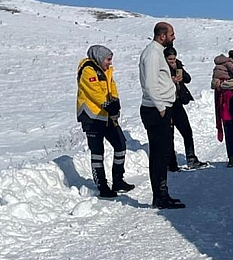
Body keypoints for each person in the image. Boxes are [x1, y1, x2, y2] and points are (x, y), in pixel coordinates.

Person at [76, 45, 135, 198]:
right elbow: (94, 91)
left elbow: (112, 87)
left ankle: (118, 180)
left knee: (120, 144)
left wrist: (115, 101)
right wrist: (108, 105)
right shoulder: (88, 70)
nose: (110, 63)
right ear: (100, 58)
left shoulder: (107, 70)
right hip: (92, 117)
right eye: (108, 60)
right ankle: (102, 185)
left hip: (107, 115)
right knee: (97, 152)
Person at [138, 22, 185, 209]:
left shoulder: (158, 53)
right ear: (162, 36)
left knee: (164, 153)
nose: (174, 37)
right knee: (158, 155)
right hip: (156, 110)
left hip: (163, 107)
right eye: (172, 34)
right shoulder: (151, 54)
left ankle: (163, 194)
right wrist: (161, 108)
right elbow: (150, 84)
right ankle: (159, 197)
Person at [163, 46, 208, 171]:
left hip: (178, 103)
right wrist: (170, 80)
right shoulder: (162, 69)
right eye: (170, 59)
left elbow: (188, 79)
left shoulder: (177, 65)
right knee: (169, 134)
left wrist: (180, 72)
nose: (172, 61)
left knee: (187, 131)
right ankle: (171, 164)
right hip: (168, 103)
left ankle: (191, 158)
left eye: (174, 58)